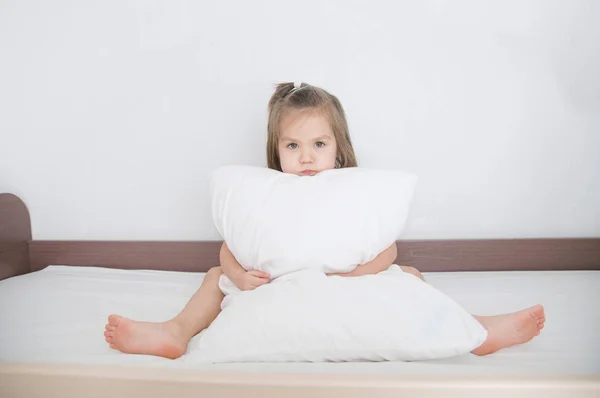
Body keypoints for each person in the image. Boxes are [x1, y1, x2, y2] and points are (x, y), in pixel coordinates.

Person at [104, 82, 545, 359]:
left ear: (339, 147)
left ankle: (472, 329)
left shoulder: (350, 188)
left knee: (408, 273)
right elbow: (231, 244)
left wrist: (361, 272)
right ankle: (176, 331)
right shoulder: (269, 190)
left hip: (348, 277)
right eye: (292, 146)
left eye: (318, 143)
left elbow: (386, 247)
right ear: (277, 150)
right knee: (214, 274)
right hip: (277, 279)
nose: (307, 156)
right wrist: (238, 274)